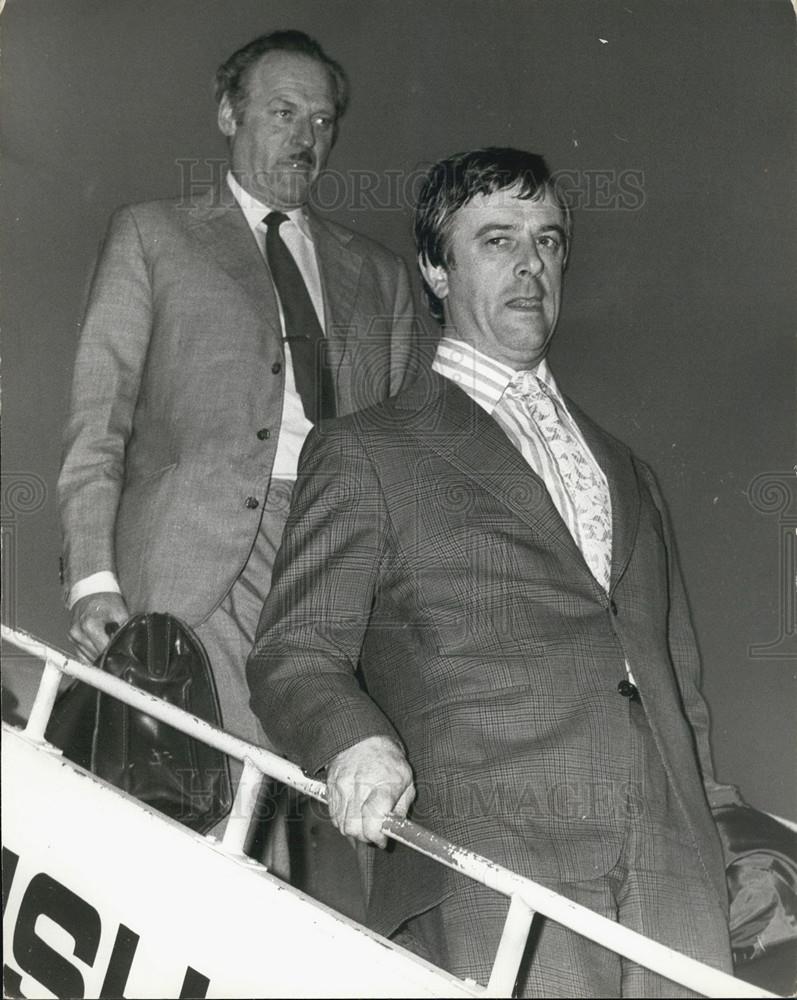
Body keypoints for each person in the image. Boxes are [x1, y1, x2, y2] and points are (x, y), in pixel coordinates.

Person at [246, 147, 740, 996]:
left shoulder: (628, 471)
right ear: (434, 271)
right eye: (496, 240)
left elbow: (678, 692)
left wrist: (718, 833)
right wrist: (353, 741)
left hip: (673, 878)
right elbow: (293, 651)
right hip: (496, 860)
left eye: (547, 241)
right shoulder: (367, 451)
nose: (529, 266)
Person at [57, 30, 420, 865]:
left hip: (330, 557)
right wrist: (92, 576)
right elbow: (96, 416)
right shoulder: (153, 235)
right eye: (283, 112)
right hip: (195, 563)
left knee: (285, 823)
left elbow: (403, 457)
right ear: (229, 114)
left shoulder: (383, 276)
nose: (306, 136)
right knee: (175, 801)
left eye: (323, 120)